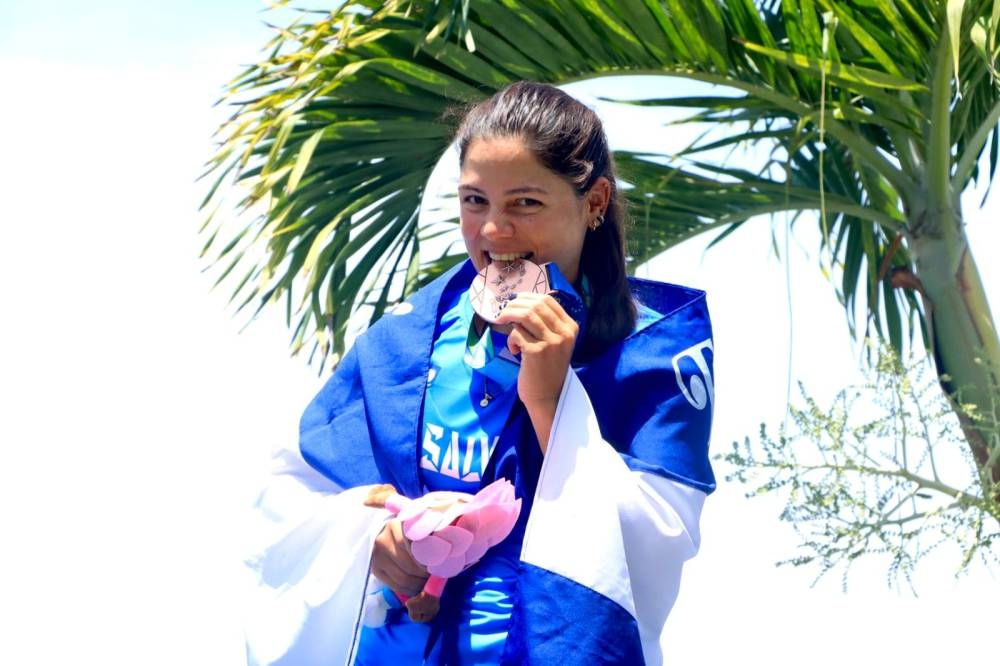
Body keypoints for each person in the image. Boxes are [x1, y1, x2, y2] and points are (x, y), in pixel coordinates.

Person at [244, 81, 716, 665]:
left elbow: (658, 544)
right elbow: (289, 497)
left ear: (594, 202)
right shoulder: (404, 339)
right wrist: (370, 537)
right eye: (474, 202)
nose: (494, 232)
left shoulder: (650, 352)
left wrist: (552, 402)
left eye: (525, 203)